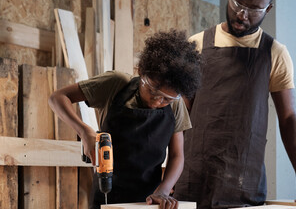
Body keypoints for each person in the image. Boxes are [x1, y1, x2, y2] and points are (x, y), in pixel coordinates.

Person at [173, 0, 296, 208]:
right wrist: (169, 174)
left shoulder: (275, 54)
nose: (242, 14)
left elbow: (288, 117)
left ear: (268, 9)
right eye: (237, 2)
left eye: (253, 9)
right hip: (193, 180)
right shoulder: (196, 46)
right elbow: (178, 117)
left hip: (244, 182)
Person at [48, 29, 202, 209]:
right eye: (152, 91)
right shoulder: (116, 83)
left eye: (166, 99)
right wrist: (84, 130)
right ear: (142, 71)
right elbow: (58, 98)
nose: (157, 101)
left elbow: (177, 156)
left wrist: (164, 190)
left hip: (149, 200)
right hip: (107, 194)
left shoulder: (176, 105)